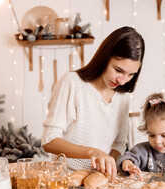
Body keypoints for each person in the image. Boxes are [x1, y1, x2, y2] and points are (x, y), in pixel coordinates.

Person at [41, 26, 145, 180]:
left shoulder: (122, 97)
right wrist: (93, 153)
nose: (122, 80)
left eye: (131, 75)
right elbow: (49, 141)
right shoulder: (72, 83)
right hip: (66, 179)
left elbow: (119, 144)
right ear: (105, 57)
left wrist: (109, 165)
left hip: (101, 182)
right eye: (118, 70)